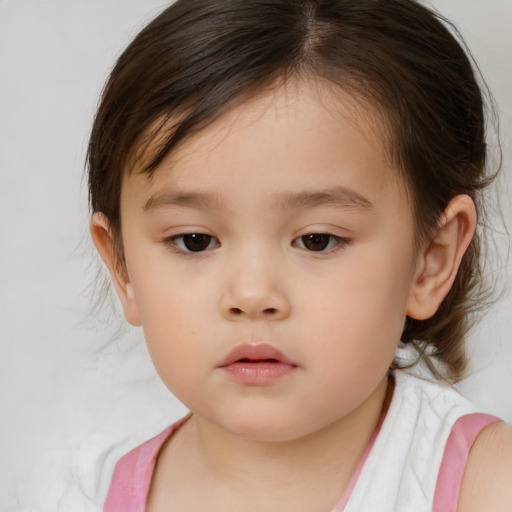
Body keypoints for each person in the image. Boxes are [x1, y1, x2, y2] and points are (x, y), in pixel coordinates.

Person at [87, 0, 512, 510]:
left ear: (431, 259)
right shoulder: (91, 492)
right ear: (123, 267)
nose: (251, 295)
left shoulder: (487, 485)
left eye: (316, 240)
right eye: (194, 240)